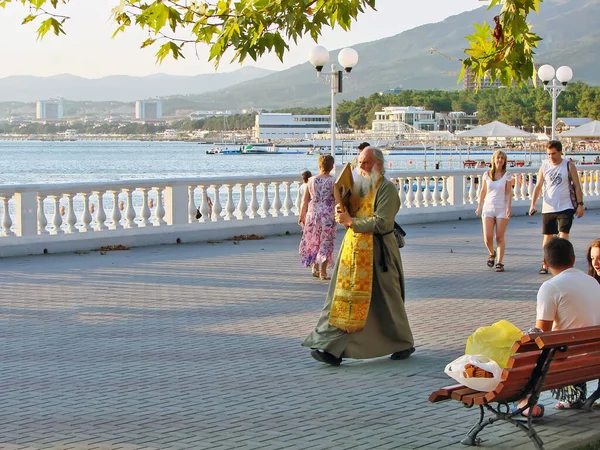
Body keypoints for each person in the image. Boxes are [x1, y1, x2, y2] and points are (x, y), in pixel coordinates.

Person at [302, 146, 415, 366]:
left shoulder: (387, 190)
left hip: (379, 252)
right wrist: (341, 212)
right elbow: (350, 214)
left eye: (366, 163)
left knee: (387, 301)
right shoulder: (358, 187)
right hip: (352, 252)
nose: (361, 167)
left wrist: (351, 222)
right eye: (359, 162)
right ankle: (329, 346)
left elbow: (383, 222)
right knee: (341, 300)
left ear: (379, 165)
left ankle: (403, 342)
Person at [517, 238, 600, 416]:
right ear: (573, 259)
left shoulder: (551, 287)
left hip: (566, 359)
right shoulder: (592, 282)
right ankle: (573, 397)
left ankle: (526, 403)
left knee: (522, 354)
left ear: (545, 263)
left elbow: (542, 334)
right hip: (594, 358)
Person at [529, 140, 585, 274]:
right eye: (548, 154)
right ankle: (546, 262)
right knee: (548, 237)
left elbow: (577, 185)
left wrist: (580, 204)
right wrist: (533, 204)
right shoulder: (544, 166)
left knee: (563, 234)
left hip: (566, 205)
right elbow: (538, 186)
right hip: (548, 207)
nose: (551, 157)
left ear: (560, 152)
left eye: (553, 153)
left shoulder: (568, 165)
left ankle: (563, 263)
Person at [298, 156, 336, 280]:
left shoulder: (310, 180)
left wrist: (302, 215)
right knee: (326, 242)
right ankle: (323, 272)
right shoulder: (333, 181)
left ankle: (315, 267)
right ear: (332, 166)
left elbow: (304, 200)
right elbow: (337, 199)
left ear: (319, 166)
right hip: (327, 215)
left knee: (314, 240)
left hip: (312, 213)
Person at [475, 150, 512, 272]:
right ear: (494, 159)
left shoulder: (507, 175)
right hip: (488, 207)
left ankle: (500, 263)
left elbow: (508, 192)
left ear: (504, 161)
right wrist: (479, 206)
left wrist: (508, 207)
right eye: (498, 157)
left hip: (501, 207)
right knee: (488, 237)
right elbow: (483, 191)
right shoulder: (487, 174)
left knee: (499, 237)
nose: (500, 160)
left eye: (502, 158)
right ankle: (492, 253)